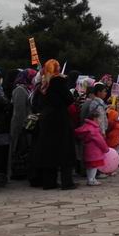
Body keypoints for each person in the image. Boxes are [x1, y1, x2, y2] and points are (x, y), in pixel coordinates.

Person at [31, 59, 77, 190]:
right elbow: (69, 99)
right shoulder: (59, 82)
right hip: (60, 119)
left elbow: (37, 103)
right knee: (64, 150)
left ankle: (49, 182)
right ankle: (67, 182)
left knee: (49, 150)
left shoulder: (43, 83)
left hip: (46, 119)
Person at [9, 68, 37, 180]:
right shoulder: (20, 90)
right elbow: (19, 111)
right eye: (33, 76)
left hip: (26, 124)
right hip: (21, 125)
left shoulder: (27, 88)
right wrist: (23, 127)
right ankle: (17, 172)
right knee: (19, 148)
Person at [75, 108, 110, 186]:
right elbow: (100, 141)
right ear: (95, 119)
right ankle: (92, 179)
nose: (100, 120)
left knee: (89, 166)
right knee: (94, 166)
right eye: (99, 118)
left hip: (87, 150)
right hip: (95, 151)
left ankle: (90, 179)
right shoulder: (94, 129)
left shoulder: (86, 127)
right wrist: (105, 149)